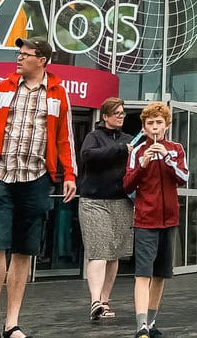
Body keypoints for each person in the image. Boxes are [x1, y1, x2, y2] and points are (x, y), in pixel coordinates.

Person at [0, 38, 77, 338]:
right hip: (1, 175)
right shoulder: (4, 88)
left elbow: (64, 139)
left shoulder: (58, 94)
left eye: (25, 55)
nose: (18, 59)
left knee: (23, 249)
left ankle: (12, 322)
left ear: (42, 60)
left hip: (37, 178)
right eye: (18, 54)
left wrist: (69, 174)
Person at [123, 101, 188, 338]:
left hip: (169, 219)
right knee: (143, 273)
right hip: (145, 219)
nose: (154, 128)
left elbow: (183, 177)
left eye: (159, 123)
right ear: (144, 127)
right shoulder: (138, 151)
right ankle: (140, 326)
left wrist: (168, 159)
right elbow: (127, 184)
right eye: (150, 124)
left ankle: (150, 322)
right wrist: (142, 164)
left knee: (161, 274)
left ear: (166, 126)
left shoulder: (176, 148)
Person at [79, 97, 133, 323]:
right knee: (99, 250)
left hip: (120, 201)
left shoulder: (130, 139)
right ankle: (95, 300)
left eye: (122, 112)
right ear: (106, 115)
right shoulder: (94, 136)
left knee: (114, 254)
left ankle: (105, 300)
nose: (121, 116)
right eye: (117, 113)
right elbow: (88, 156)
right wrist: (120, 150)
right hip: (94, 201)